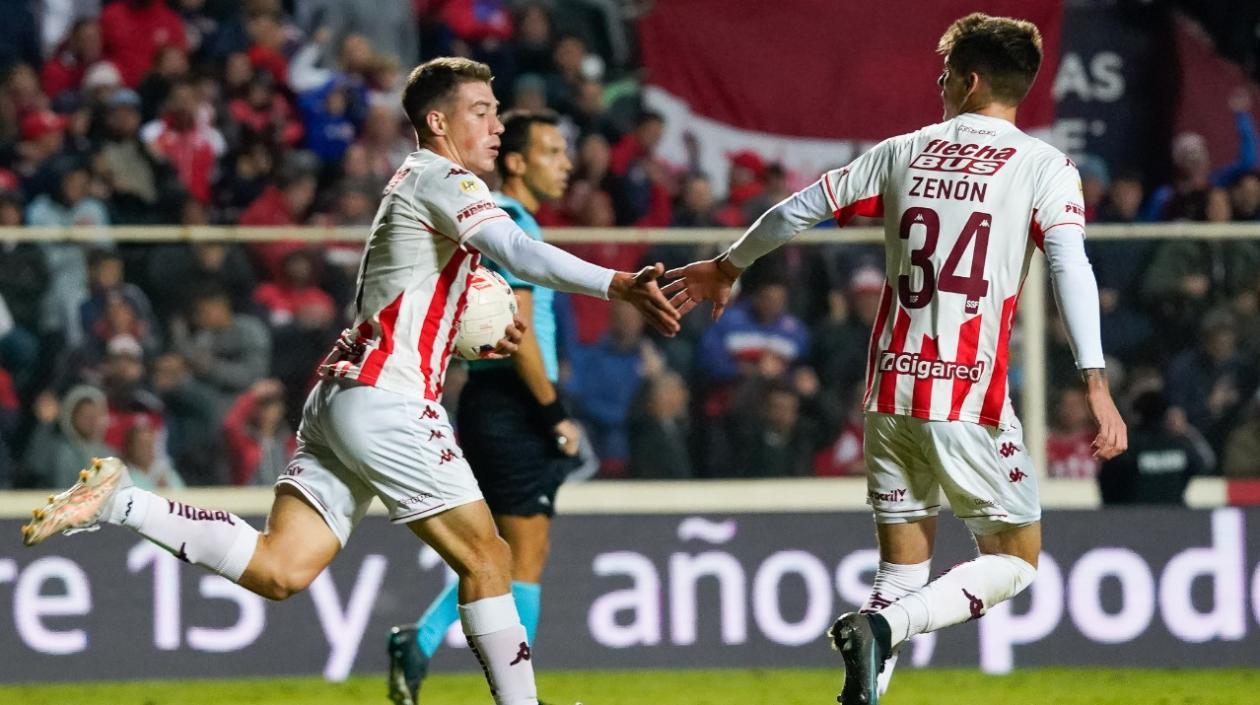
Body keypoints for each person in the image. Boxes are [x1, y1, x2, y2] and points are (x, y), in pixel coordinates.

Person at [22, 57, 679, 705]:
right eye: (482, 111)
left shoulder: (414, 186)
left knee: (282, 566)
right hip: (391, 400)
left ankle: (122, 501)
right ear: (439, 121)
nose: (497, 125)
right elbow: (519, 253)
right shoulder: (447, 178)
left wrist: (462, 326)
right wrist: (618, 282)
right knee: (489, 557)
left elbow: (416, 298)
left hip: (342, 395)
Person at [662, 14, 1126, 704]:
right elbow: (1070, 265)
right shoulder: (1044, 167)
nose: (938, 86)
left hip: (889, 392)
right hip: (970, 397)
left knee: (902, 568)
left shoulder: (903, 150)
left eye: (944, 75)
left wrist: (728, 266)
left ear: (970, 80)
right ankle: (885, 626)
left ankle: (870, 665)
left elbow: (798, 209)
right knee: (1015, 560)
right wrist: (1095, 379)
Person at [385, 109, 585, 705]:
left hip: (497, 401)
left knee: (507, 553)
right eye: (552, 152)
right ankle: (514, 693)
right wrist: (554, 414)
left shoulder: (502, 222)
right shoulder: (511, 223)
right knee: (520, 556)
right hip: (513, 401)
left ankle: (420, 645)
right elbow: (518, 330)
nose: (566, 164)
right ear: (517, 163)